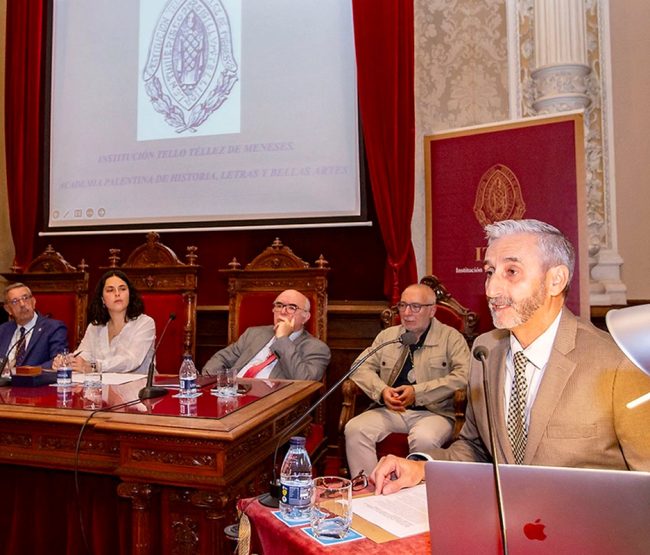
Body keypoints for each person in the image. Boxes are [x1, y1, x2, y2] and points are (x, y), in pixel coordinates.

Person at [371, 219, 650, 495]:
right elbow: (475, 447)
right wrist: (422, 467)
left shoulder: (619, 364)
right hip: (505, 529)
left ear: (556, 280)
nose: (491, 290)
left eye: (512, 271)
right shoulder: (485, 351)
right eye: (490, 271)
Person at [344, 283, 470, 478]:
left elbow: (464, 376)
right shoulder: (389, 336)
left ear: (432, 310)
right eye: (402, 306)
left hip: (435, 413)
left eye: (415, 307)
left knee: (424, 438)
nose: (407, 313)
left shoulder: (451, 338)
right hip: (392, 410)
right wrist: (382, 391)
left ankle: (417, 496)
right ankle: (368, 492)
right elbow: (359, 367)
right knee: (355, 429)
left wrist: (418, 393)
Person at [202, 289, 330, 380]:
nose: (283, 312)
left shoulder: (317, 348)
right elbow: (220, 359)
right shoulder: (254, 333)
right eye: (279, 306)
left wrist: (282, 339)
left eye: (292, 307)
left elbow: (304, 381)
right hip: (232, 392)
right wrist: (213, 384)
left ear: (305, 317)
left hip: (271, 406)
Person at [54, 270, 156, 374]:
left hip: (139, 387)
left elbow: (131, 360)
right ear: (102, 299)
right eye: (110, 290)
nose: (117, 294)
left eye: (122, 289)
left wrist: (95, 366)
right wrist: (67, 361)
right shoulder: (95, 327)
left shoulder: (145, 323)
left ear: (129, 294)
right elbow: (83, 355)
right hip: (103, 387)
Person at [0, 283, 68, 370]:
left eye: (25, 298)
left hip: (35, 382)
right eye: (15, 301)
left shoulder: (53, 328)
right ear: (8, 309)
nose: (22, 304)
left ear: (33, 302)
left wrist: (24, 371)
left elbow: (58, 360)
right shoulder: (3, 330)